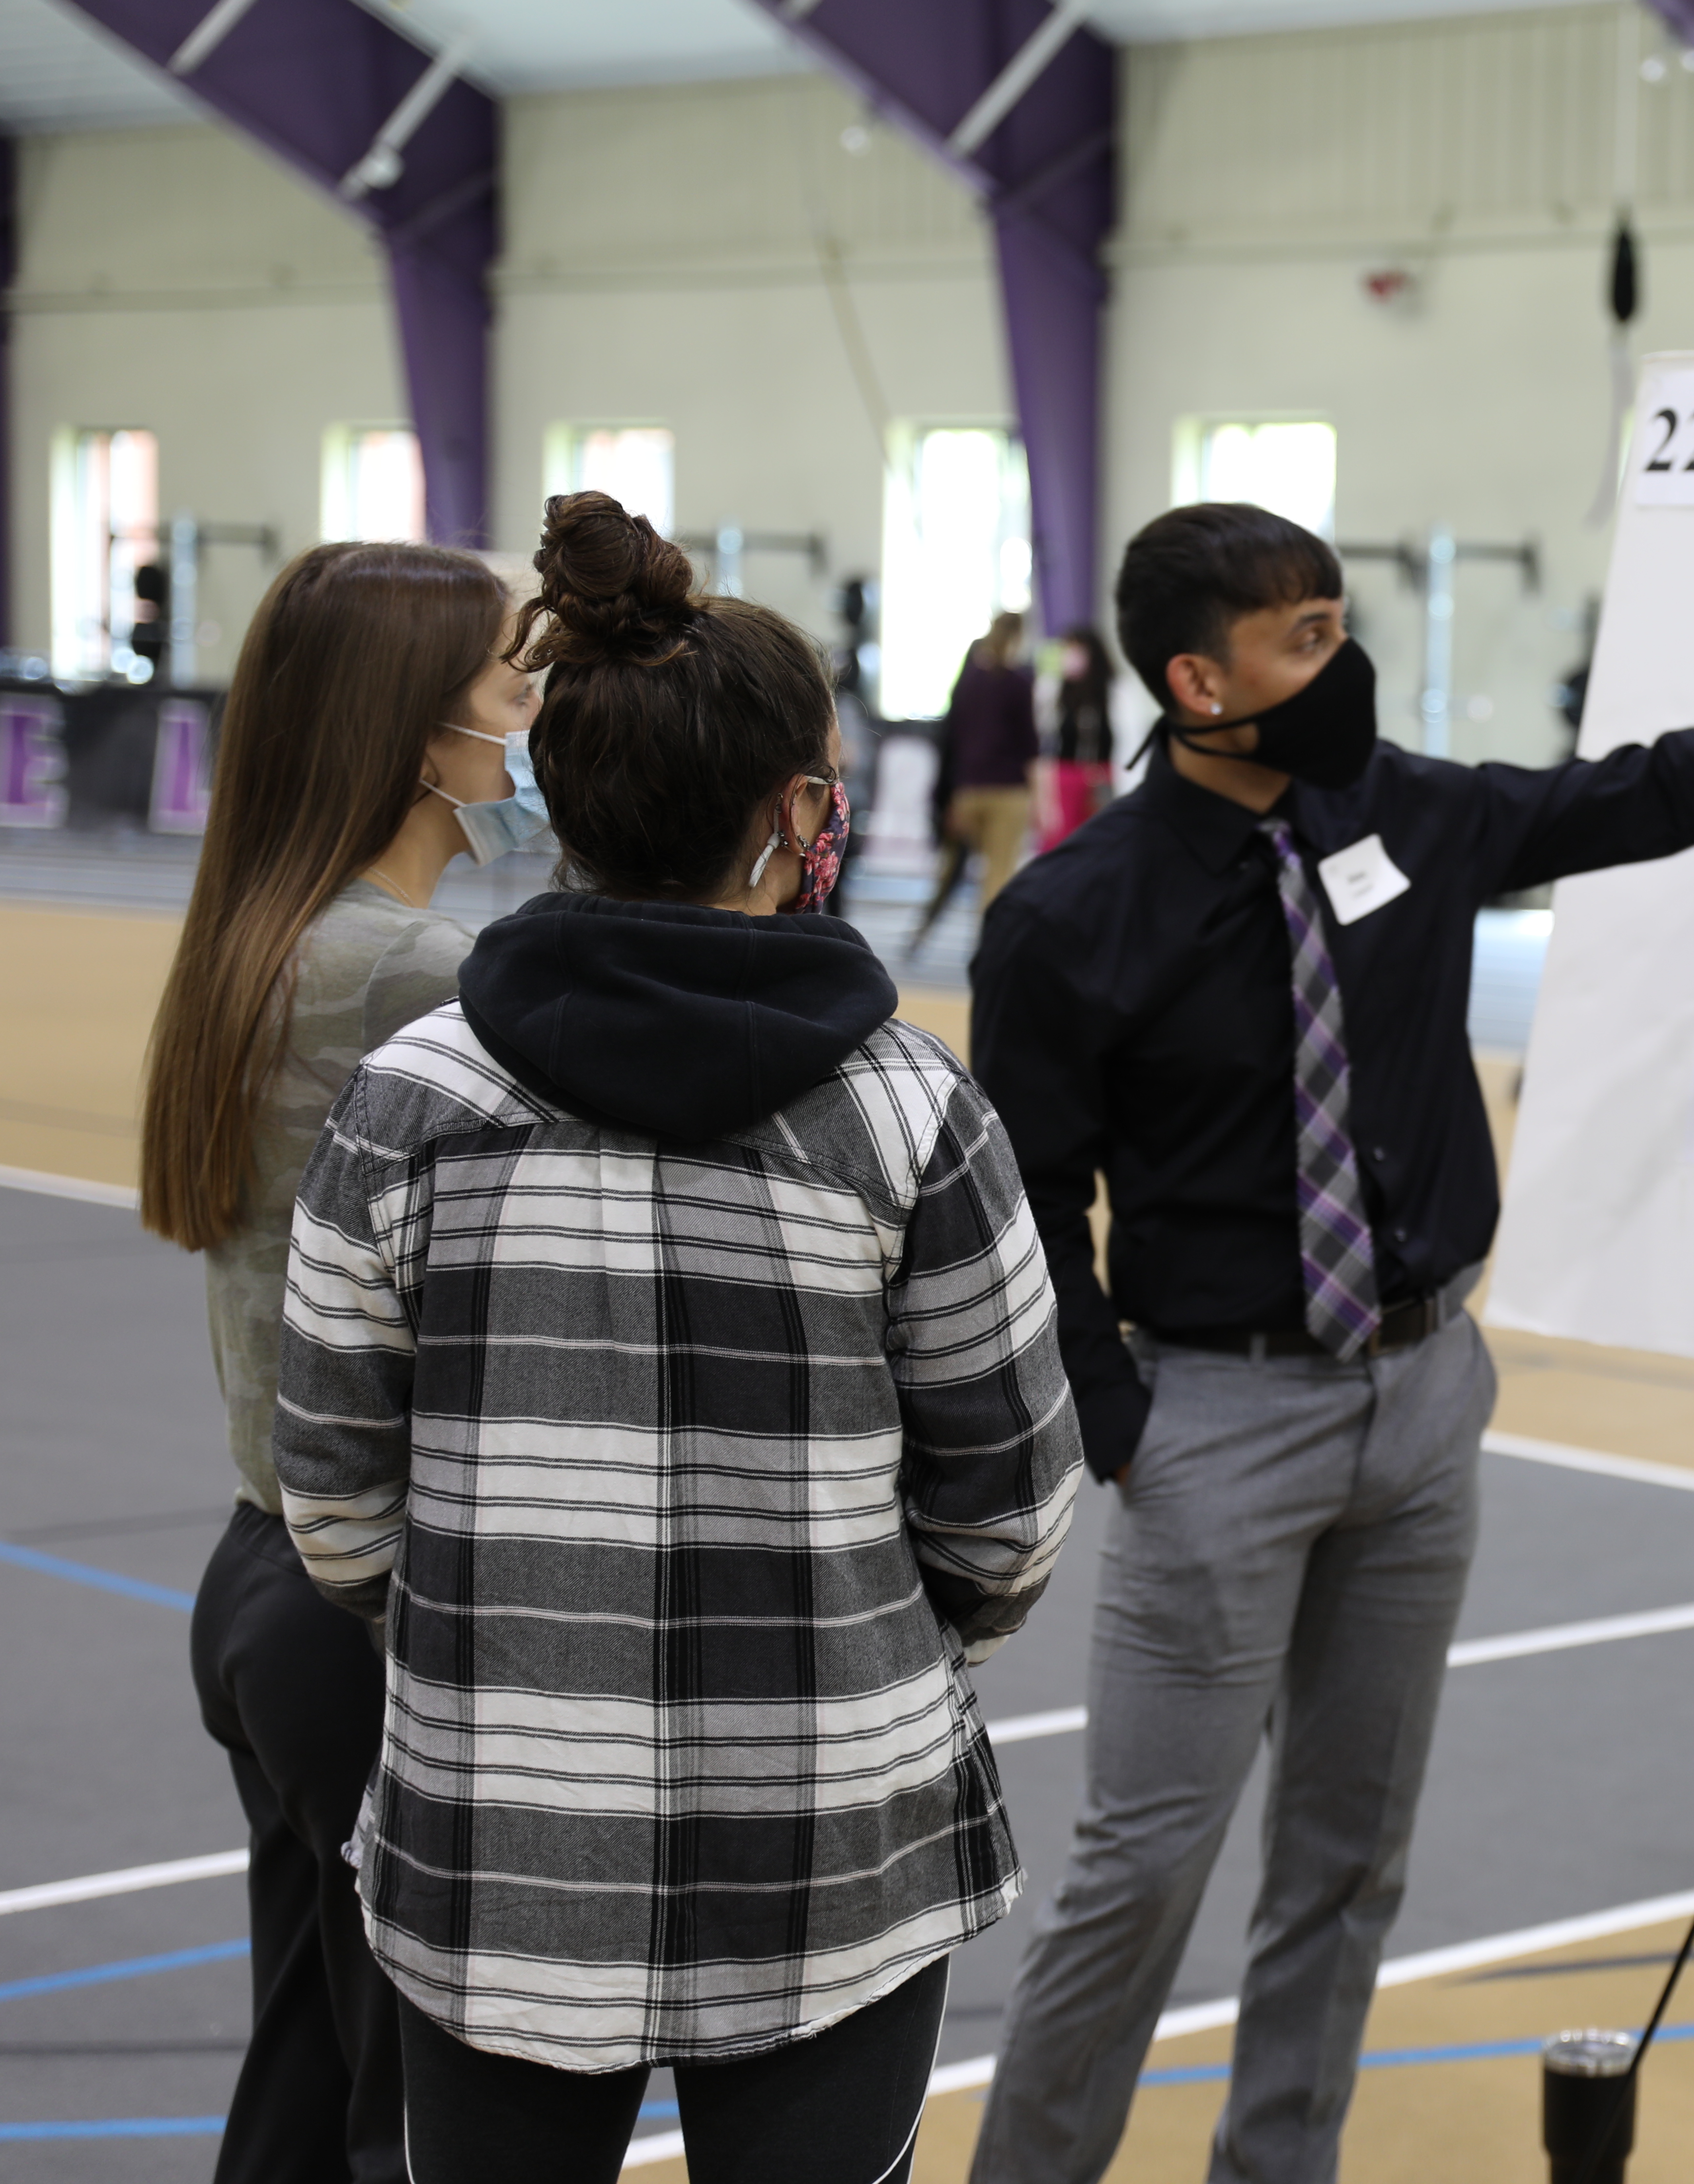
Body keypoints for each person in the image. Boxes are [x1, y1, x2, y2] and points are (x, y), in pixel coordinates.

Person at [964, 500, 1694, 2183]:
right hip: (1217, 1423)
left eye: (1342, 621)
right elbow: (1031, 1198)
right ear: (1197, 680)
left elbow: (1639, 792)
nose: (1350, 662)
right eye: (1307, 638)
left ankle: (1281, 2166)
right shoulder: (1071, 917)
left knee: (1348, 1860)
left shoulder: (1398, 812)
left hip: (1420, 1404)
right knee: (1146, 1863)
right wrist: (1125, 1421)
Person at [271, 493, 1086, 2183]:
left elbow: (334, 1504)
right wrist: (863, 1647)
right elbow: (1008, 1511)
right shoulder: (910, 1113)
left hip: (498, 1837)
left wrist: (510, 1638)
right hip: (832, 1845)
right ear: (802, 812)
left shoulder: (412, 1101)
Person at [138, 538, 533, 2184]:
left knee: (308, 2080)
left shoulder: (273, 927)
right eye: (518, 680)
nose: (537, 715)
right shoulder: (409, 969)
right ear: (419, 730)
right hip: (369, 1608)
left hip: (267, 1574)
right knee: (415, 2125)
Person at [914, 609, 1042, 945]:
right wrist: (1042, 797)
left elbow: (952, 738)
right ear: (1017, 637)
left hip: (968, 790)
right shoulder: (1019, 683)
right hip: (1007, 792)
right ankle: (990, 950)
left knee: (950, 870)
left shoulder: (969, 680)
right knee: (997, 877)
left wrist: (952, 795)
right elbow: (1030, 745)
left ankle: (922, 931)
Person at [1038, 623, 1117, 850]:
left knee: (1098, 840)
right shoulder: (1057, 691)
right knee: (1061, 840)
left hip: (1101, 775)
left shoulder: (1111, 691)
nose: (1071, 657)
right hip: (1065, 774)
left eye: (1076, 650)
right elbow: (1046, 735)